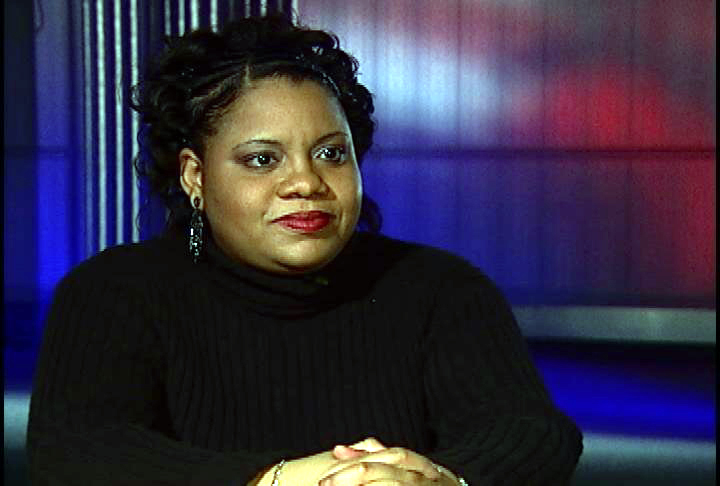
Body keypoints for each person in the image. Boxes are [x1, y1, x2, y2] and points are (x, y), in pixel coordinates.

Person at [27, 13, 583, 486]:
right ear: (195, 176)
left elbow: (531, 433)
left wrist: (436, 480)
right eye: (262, 159)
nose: (305, 183)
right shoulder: (114, 290)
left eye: (331, 154)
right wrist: (278, 480)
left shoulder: (439, 286)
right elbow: (75, 450)